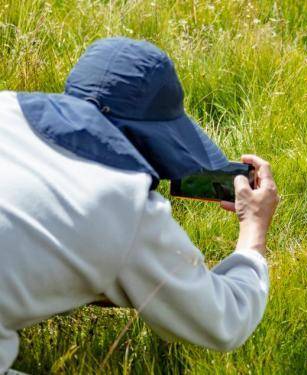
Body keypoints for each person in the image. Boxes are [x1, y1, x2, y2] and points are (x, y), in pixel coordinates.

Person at [0, 37, 279, 373]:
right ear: (155, 136)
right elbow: (226, 320)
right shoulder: (124, 206)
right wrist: (254, 228)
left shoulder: (7, 106)